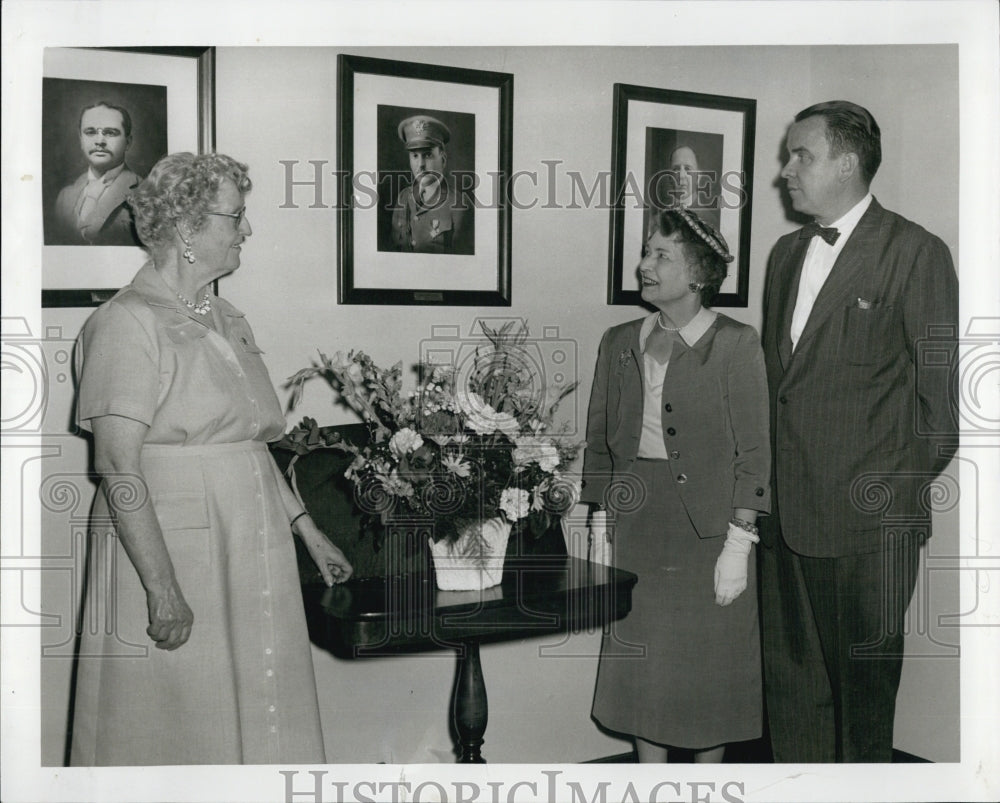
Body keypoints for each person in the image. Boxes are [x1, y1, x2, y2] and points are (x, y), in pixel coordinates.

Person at [70, 152, 353, 766]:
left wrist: (307, 531)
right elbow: (119, 471)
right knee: (180, 718)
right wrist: (163, 588)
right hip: (174, 549)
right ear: (188, 230)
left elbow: (250, 441)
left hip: (250, 542)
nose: (246, 230)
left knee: (260, 705)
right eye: (236, 217)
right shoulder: (125, 323)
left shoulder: (225, 317)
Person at [759, 100, 958, 762]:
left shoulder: (915, 252)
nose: (786, 170)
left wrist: (883, 500)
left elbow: (940, 413)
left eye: (800, 155)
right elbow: (777, 389)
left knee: (863, 706)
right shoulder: (785, 255)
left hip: (869, 527)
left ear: (845, 162)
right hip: (785, 517)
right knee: (792, 695)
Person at [582, 208, 771, 763]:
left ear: (698, 276)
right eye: (646, 252)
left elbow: (755, 451)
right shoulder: (618, 340)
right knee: (645, 668)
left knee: (707, 670)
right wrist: (595, 517)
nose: (644, 264)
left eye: (661, 255)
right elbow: (599, 436)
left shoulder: (736, 343)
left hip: (710, 529)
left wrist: (741, 539)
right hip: (638, 520)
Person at [50, 101, 143, 245]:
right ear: (81, 139)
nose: (99, 141)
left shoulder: (146, 193)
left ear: (128, 142)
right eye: (90, 132)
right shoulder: (64, 197)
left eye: (110, 133)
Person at [390, 114, 473, 254]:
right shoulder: (403, 198)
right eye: (415, 156)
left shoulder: (460, 205)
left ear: (443, 160)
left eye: (427, 155)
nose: (420, 165)